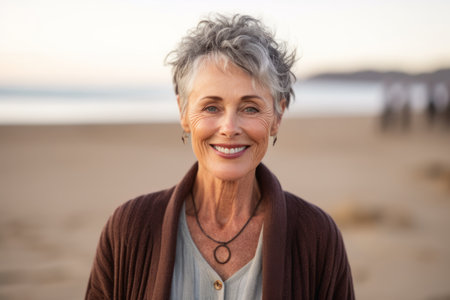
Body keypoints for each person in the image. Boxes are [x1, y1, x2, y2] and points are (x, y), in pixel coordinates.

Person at [85, 14, 354, 300]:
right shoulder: (128, 229)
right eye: (212, 107)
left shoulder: (317, 236)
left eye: (250, 108)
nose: (229, 128)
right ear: (183, 113)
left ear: (277, 116)